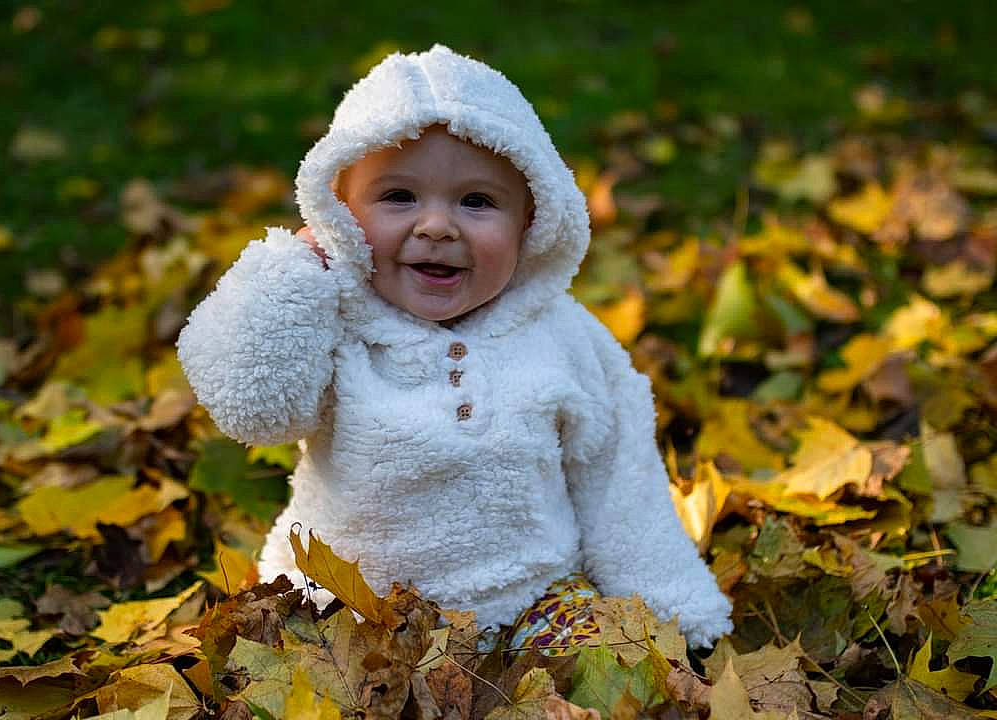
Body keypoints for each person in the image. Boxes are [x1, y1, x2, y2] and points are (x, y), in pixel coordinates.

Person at [177, 45, 732, 649]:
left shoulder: (563, 338)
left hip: (528, 598)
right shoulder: (330, 321)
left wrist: (675, 607)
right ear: (339, 213)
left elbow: (619, 479)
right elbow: (255, 408)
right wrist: (288, 276)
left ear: (531, 223)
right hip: (347, 606)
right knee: (286, 673)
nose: (436, 227)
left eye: (477, 202)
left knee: (611, 660)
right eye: (398, 197)